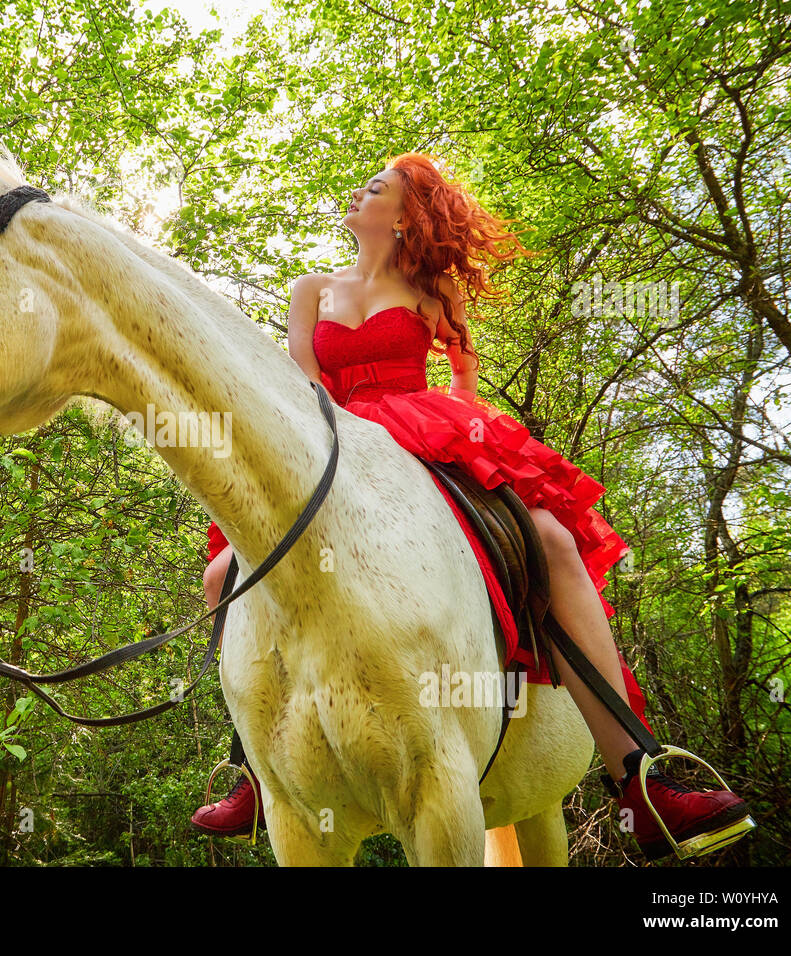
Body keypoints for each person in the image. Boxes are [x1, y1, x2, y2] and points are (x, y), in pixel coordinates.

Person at [190, 154, 755, 862]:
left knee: (551, 538)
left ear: (402, 217)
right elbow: (303, 376)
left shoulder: (434, 292)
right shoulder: (312, 289)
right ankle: (253, 769)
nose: (356, 191)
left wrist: (455, 431)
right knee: (221, 578)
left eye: (375, 188)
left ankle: (641, 779)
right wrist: (338, 435)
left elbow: (462, 380)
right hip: (331, 435)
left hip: (423, 430)